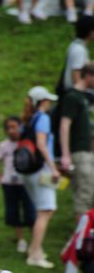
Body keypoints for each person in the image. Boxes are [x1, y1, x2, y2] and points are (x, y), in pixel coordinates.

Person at [22, 86, 60, 269]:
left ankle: (35, 249)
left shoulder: (28, 119)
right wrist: (53, 168)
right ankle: (35, 254)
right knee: (46, 210)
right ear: (43, 101)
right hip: (41, 170)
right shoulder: (43, 118)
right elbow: (42, 144)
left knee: (42, 211)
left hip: (28, 172)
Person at [0, 116, 36, 254]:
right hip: (9, 183)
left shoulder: (26, 142)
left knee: (30, 211)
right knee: (14, 211)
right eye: (8, 128)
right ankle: (21, 239)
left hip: (26, 182)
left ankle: (34, 240)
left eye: (14, 127)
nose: (11, 130)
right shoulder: (4, 145)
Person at [60, 64, 94, 221]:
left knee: (90, 194)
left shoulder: (84, 97)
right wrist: (66, 155)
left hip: (88, 151)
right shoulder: (72, 97)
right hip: (79, 153)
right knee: (84, 195)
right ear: (88, 75)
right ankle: (81, 234)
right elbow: (64, 125)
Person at [61, 16, 94, 93]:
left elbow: (83, 65)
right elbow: (76, 77)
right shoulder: (79, 50)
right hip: (78, 94)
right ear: (90, 31)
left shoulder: (76, 45)